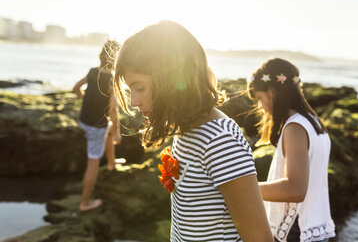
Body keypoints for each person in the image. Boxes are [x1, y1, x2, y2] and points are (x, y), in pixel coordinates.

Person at [113, 20, 273, 242]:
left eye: (139, 87)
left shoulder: (220, 141)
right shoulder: (185, 131)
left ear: (170, 78)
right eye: (131, 89)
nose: (133, 101)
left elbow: (260, 239)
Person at [247, 58, 335, 242]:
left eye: (260, 99)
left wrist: (245, 189)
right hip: (314, 227)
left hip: (296, 232)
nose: (260, 107)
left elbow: (295, 189)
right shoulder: (314, 122)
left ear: (272, 91)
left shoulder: (295, 128)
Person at [73, 40, 122, 212]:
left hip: (84, 120)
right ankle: (84, 203)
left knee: (106, 129)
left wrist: (84, 98)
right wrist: (117, 131)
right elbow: (113, 108)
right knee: (93, 164)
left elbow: (76, 87)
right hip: (95, 126)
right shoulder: (112, 79)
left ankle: (111, 164)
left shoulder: (93, 72)